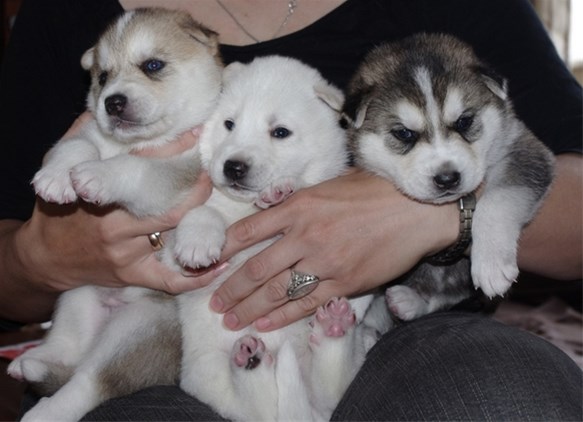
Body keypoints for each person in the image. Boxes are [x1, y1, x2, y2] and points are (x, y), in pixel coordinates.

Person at [1, 0, 581, 420]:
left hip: (392, 333)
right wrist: (41, 256)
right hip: (158, 348)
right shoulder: (63, 14)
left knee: (506, 398)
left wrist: (433, 213)